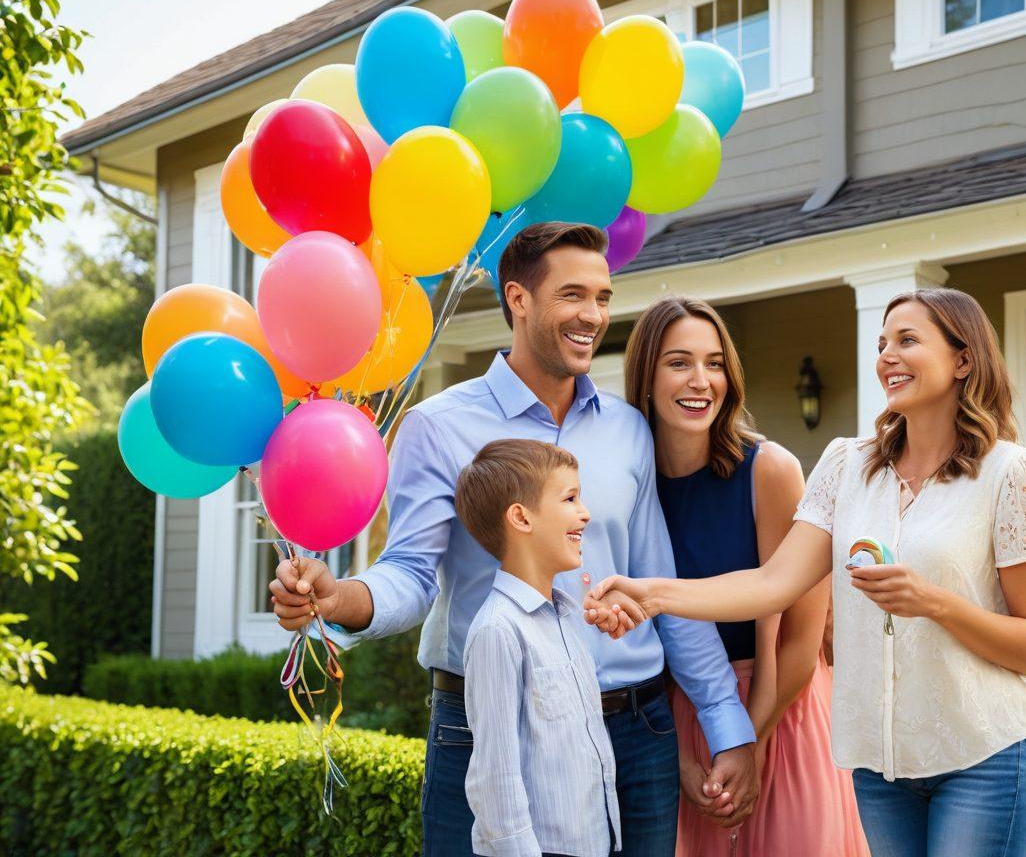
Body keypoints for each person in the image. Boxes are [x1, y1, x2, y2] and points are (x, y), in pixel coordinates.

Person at [269, 222, 758, 856]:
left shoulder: (629, 429)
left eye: (603, 297)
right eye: (572, 295)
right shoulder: (436, 427)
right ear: (518, 299)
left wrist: (727, 726)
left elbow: (663, 589)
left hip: (634, 736)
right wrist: (338, 599)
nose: (593, 315)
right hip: (486, 728)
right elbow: (411, 573)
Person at [587, 287, 1026, 857]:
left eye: (907, 340)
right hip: (882, 770)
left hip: (986, 757)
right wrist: (651, 594)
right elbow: (772, 583)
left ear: (963, 360)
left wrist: (933, 602)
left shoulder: (1014, 474)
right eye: (882, 343)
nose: (887, 356)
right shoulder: (847, 467)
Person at [624, 295, 868, 856]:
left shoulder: (770, 471)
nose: (701, 380)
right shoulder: (627, 484)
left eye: (714, 364)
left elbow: (802, 641)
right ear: (646, 377)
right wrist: (681, 759)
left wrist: (745, 742)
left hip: (781, 706)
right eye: (679, 362)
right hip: (677, 721)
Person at [456, 439, 620, 857]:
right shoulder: (498, 631)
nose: (585, 513)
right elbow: (495, 778)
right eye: (570, 498)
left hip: (591, 844)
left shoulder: (568, 617)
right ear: (521, 517)